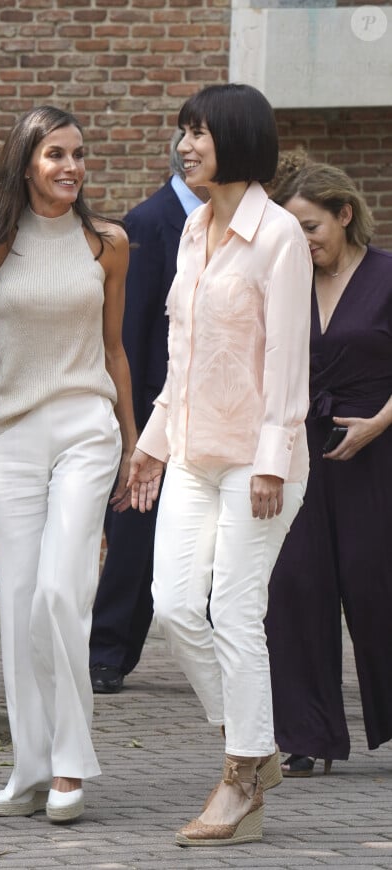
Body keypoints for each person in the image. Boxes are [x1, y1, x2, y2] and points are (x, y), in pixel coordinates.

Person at [0, 106, 137, 823]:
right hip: (12, 436)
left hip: (85, 428)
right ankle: (30, 764)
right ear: (26, 164)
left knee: (58, 593)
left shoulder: (108, 245)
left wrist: (132, 441)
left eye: (78, 154)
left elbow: (114, 349)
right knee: (17, 606)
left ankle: (72, 763)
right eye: (56, 156)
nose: (71, 167)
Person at [128, 83, 313, 846]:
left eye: (198, 132)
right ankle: (258, 741)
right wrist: (150, 443)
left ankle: (241, 778)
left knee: (235, 612)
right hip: (195, 452)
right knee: (172, 603)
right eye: (182, 133)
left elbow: (289, 362)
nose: (185, 145)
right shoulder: (193, 229)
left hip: (259, 462)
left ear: (236, 138)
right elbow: (182, 355)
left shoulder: (280, 238)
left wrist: (273, 458)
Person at [266, 162, 392, 776]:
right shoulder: (285, 284)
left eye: (311, 227)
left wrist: (379, 422)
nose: (303, 241)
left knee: (376, 588)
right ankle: (306, 735)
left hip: (377, 455)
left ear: (344, 214)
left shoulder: (390, 275)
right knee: (294, 589)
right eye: (292, 230)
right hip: (300, 456)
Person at [89, 133, 203, 694]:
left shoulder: (232, 222)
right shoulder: (148, 223)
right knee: (133, 531)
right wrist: (129, 426)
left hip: (212, 409)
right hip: (155, 409)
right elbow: (126, 337)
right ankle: (107, 650)